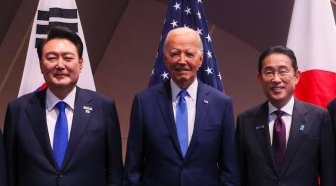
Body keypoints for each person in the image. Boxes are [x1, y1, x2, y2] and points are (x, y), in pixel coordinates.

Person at [3, 26, 123, 186]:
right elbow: (9, 172)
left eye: (68, 58)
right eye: (52, 58)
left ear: (80, 63)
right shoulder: (17, 110)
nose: (60, 65)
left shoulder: (104, 108)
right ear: (40, 64)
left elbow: (114, 171)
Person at [124, 27, 239, 186]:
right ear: (165, 58)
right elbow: (132, 166)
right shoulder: (144, 102)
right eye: (175, 53)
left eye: (189, 54)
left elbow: (230, 169)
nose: (182, 60)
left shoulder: (221, 104)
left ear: (200, 59)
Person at [236, 46, 336, 186]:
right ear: (259, 78)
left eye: (283, 71)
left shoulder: (319, 118)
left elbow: (329, 176)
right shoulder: (245, 121)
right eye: (269, 72)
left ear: (297, 76)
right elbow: (239, 175)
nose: (276, 79)